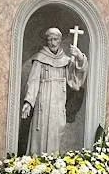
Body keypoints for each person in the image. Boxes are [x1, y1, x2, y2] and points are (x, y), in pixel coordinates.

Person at [20, 27, 87, 155]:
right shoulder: (40, 58)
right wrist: (29, 101)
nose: (52, 42)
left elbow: (75, 80)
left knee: (56, 129)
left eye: (55, 39)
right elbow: (33, 81)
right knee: (41, 129)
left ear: (60, 40)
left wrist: (80, 57)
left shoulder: (67, 60)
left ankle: (53, 160)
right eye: (50, 39)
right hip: (43, 99)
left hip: (59, 100)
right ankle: (37, 161)